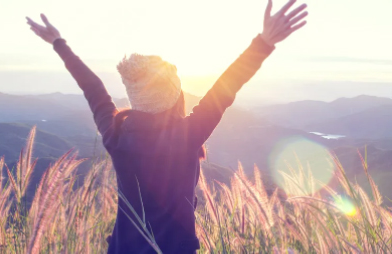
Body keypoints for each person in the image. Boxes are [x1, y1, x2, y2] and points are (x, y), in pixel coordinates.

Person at [26, 0, 307, 253]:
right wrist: (264, 42)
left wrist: (58, 43)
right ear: (175, 96)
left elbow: (93, 88)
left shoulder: (115, 134)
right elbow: (226, 87)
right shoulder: (187, 136)